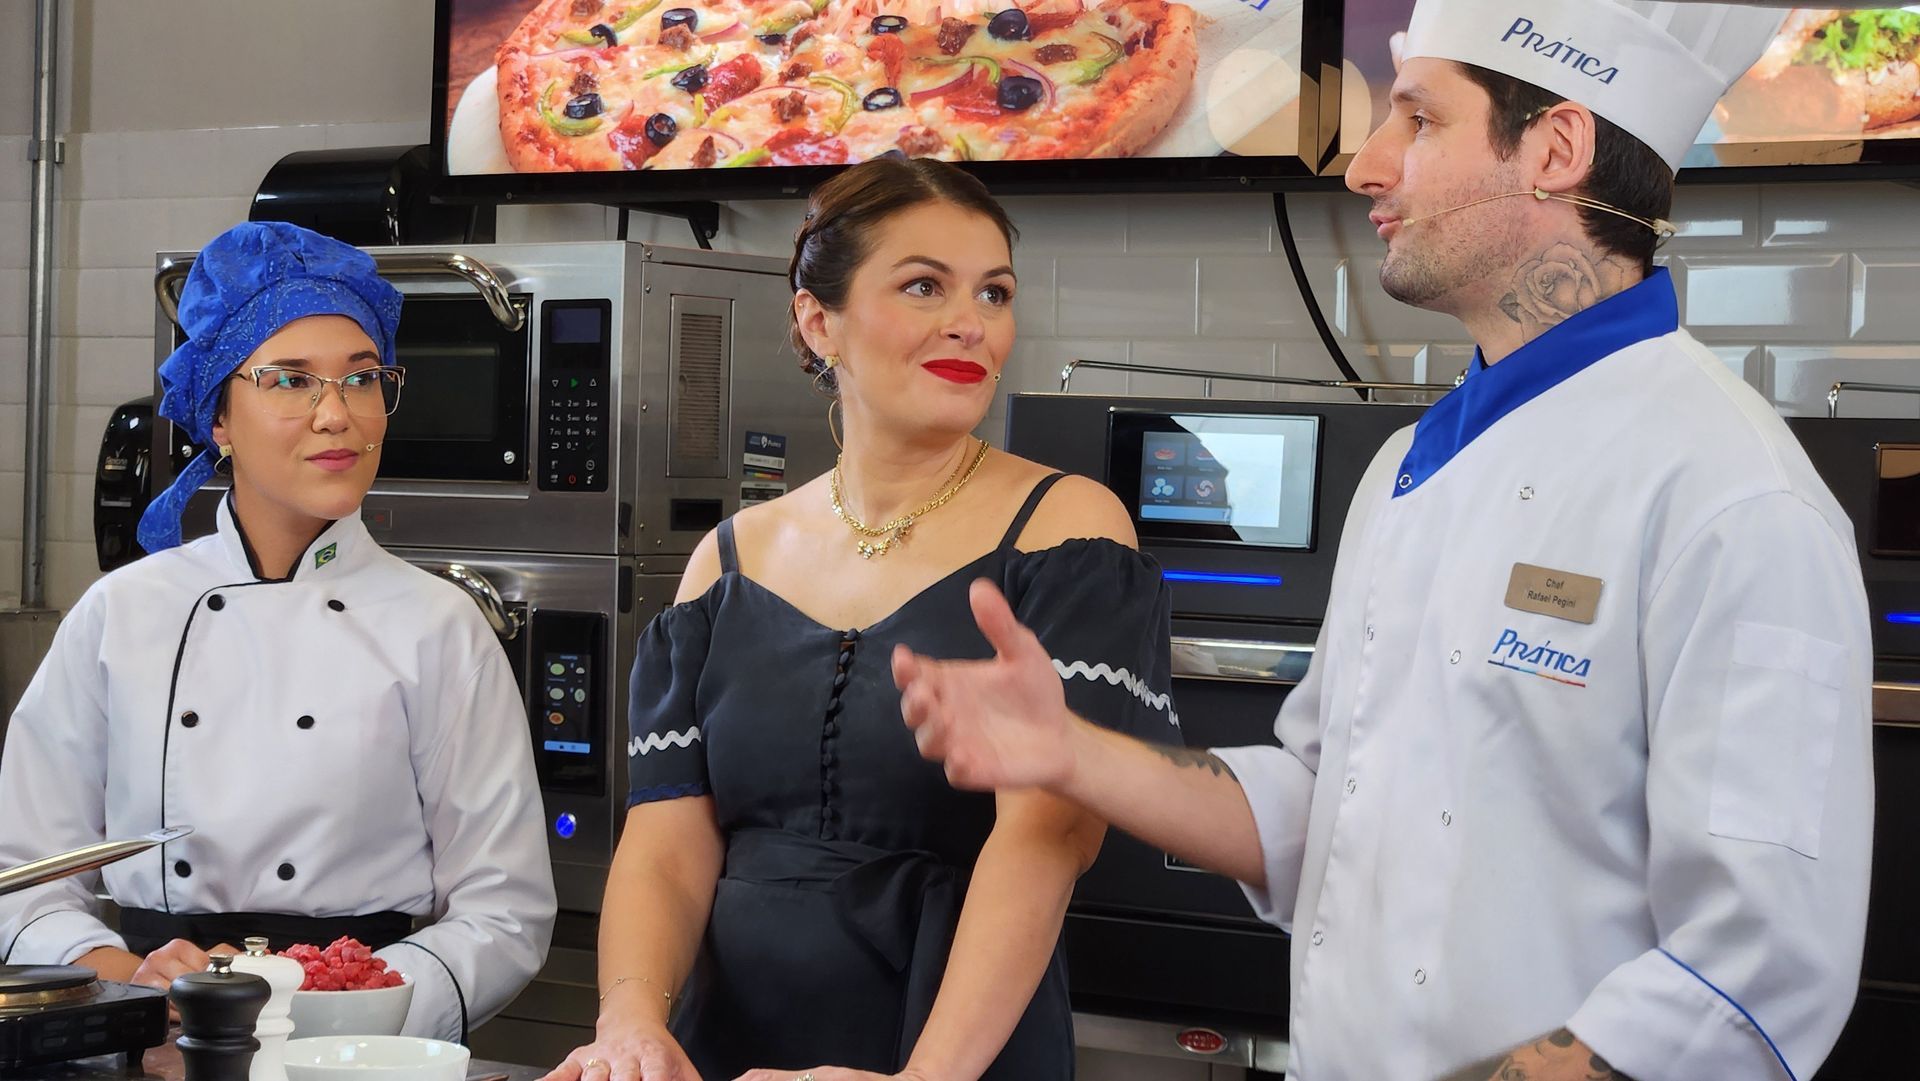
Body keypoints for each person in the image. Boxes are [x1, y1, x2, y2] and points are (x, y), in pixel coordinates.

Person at [894, 2, 1874, 1079]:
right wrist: (1073, 752)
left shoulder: (1734, 497)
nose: (1366, 166)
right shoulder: (1409, 467)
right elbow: (1327, 809)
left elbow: (1753, 969)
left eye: (1417, 118)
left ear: (1556, 149)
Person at [543, 157, 1176, 1081]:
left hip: (952, 1051)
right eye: (924, 284)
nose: (971, 322)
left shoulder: (1068, 528)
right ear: (816, 318)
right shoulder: (727, 559)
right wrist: (633, 1025)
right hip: (728, 1048)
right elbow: (668, 841)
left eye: (993, 292)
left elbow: (1049, 837)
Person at [0, 221, 557, 1043]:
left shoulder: (441, 627)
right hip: (149, 1032)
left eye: (363, 380)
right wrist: (129, 983)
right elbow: (26, 878)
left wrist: (344, 1011)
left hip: (362, 1034)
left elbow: (503, 911)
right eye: (291, 380)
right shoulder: (121, 614)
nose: (337, 414)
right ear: (218, 417)